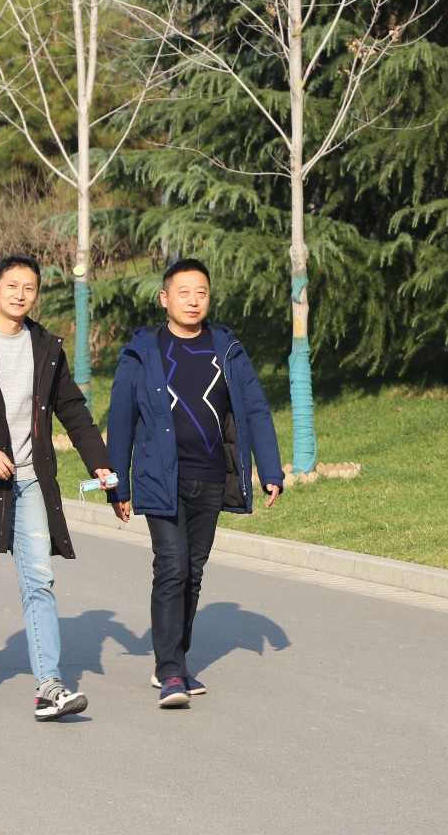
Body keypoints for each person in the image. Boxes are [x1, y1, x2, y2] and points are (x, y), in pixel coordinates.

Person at [0, 254, 114, 721]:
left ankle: (49, 686)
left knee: (39, 582)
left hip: (29, 479)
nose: (20, 294)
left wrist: (101, 465)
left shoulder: (46, 346)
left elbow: (73, 410)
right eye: (11, 285)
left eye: (29, 287)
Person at [105, 258, 284, 709]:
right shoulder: (142, 353)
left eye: (201, 292)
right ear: (164, 298)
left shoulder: (228, 350)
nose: (192, 300)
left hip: (210, 477)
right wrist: (116, 486)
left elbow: (256, 410)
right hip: (158, 478)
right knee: (172, 566)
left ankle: (175, 661)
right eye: (183, 292)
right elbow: (121, 420)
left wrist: (271, 470)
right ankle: (169, 671)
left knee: (193, 572)